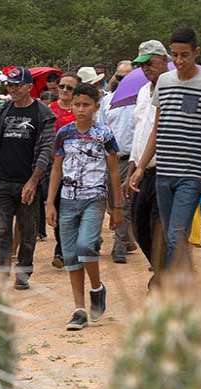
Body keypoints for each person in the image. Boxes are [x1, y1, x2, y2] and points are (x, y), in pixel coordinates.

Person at [128, 26, 201, 268]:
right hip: (164, 172)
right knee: (168, 234)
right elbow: (156, 129)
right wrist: (140, 167)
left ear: (196, 52)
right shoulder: (164, 81)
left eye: (185, 55)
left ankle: (170, 288)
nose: (179, 61)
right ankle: (183, 281)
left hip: (193, 174)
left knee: (175, 235)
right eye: (175, 55)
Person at [45, 83, 122, 331]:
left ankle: (97, 288)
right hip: (67, 199)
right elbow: (56, 168)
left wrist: (117, 206)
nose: (80, 109)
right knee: (70, 255)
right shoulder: (64, 134)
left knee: (86, 245)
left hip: (94, 198)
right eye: (77, 104)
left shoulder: (105, 135)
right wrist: (50, 203)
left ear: (96, 107)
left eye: (86, 105)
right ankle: (79, 309)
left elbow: (113, 172)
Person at [0, 65, 56, 288]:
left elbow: (46, 150)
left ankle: (23, 273)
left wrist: (33, 181)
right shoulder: (2, 111)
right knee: (0, 231)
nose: (12, 89)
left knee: (27, 232)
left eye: (17, 85)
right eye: (9, 84)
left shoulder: (43, 114)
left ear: (29, 87)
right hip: (1, 181)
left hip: (28, 182)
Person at [125, 39, 169, 273]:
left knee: (159, 224)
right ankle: (161, 268)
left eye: (150, 63)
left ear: (164, 60)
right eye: (142, 65)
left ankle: (164, 274)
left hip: (165, 168)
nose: (146, 68)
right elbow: (139, 131)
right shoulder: (143, 92)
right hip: (142, 168)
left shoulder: (173, 88)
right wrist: (133, 167)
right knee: (139, 225)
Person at [96, 63, 138, 263]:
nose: (122, 82)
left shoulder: (142, 101)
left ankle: (119, 246)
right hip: (107, 157)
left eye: (127, 78)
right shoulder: (107, 101)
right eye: (119, 77)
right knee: (111, 204)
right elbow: (100, 128)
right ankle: (128, 239)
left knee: (124, 203)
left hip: (129, 159)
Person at [46, 72, 82, 267]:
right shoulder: (49, 111)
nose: (65, 91)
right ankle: (61, 249)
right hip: (56, 168)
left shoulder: (81, 111)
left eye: (70, 87)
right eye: (62, 86)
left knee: (76, 209)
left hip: (80, 168)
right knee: (59, 209)